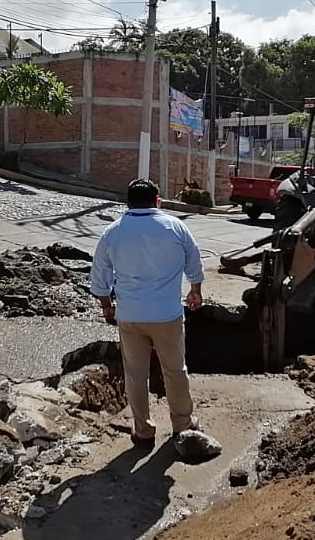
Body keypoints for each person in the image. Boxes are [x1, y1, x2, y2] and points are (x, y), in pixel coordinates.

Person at [90, 179, 205, 448]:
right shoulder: (175, 226)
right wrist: (195, 289)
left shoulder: (113, 232)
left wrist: (107, 305)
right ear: (158, 200)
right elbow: (195, 260)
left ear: (127, 202)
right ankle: (182, 424)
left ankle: (143, 430)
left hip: (130, 316)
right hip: (167, 315)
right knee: (175, 370)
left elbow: (99, 277)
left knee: (135, 374)